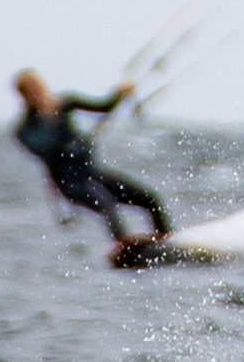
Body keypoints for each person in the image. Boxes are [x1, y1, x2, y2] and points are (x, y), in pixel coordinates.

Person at [12, 71, 173, 250]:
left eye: (38, 87)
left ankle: (167, 240)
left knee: (149, 199)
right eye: (31, 91)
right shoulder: (25, 129)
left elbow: (103, 107)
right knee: (105, 201)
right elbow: (43, 147)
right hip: (72, 183)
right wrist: (61, 133)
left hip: (93, 173)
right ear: (24, 97)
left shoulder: (66, 103)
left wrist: (120, 93)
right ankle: (125, 245)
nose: (38, 93)